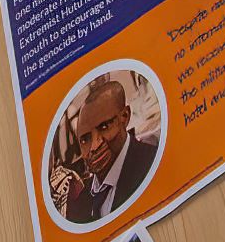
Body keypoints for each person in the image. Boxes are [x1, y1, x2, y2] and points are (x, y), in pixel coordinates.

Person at [49, 71, 158, 226]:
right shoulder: (79, 205)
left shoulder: (151, 162)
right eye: (85, 139)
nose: (94, 146)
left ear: (124, 117)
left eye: (104, 127)